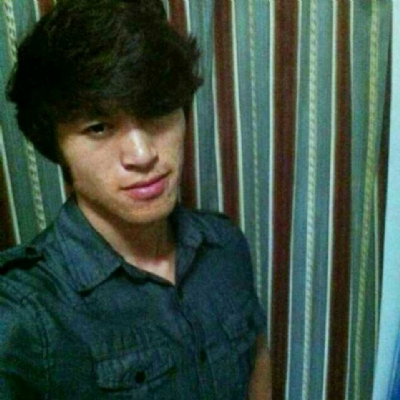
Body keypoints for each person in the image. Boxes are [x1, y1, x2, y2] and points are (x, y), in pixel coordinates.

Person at [0, 0, 271, 398]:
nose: (143, 155)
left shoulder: (224, 245)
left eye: (157, 111)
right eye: (99, 127)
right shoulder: (25, 314)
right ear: (55, 146)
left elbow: (257, 357)